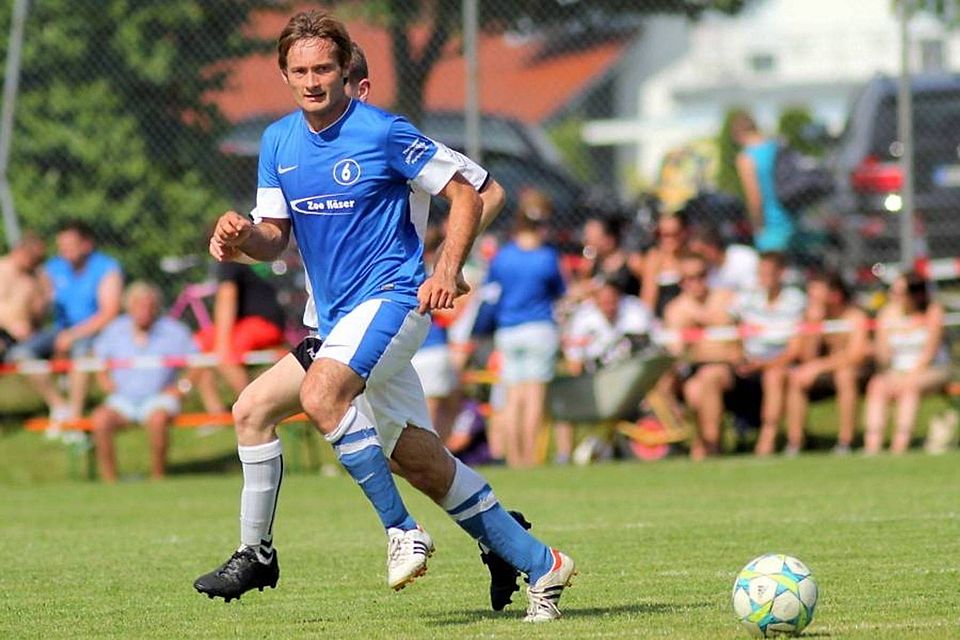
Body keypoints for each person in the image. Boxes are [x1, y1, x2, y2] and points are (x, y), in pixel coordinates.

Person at [194, 13, 574, 623]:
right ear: (284, 75)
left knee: (323, 394)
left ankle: (402, 530)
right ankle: (537, 560)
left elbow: (473, 191)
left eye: (323, 68)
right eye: (300, 71)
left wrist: (446, 267)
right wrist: (242, 237)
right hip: (336, 323)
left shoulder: (382, 132)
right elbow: (274, 238)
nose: (312, 81)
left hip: (393, 301)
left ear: (346, 71)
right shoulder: (277, 143)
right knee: (270, 416)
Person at [16, 220, 123, 425]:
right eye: (61, 247)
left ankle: (74, 416)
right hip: (60, 331)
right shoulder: (52, 269)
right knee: (20, 354)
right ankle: (58, 407)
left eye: (70, 246)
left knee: (80, 352)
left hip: (95, 331)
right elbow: (39, 308)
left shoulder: (106, 268)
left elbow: (109, 313)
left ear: (86, 244)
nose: (64, 251)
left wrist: (73, 335)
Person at [90, 282, 197, 482]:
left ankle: (157, 477)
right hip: (123, 399)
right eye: (138, 306)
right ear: (128, 307)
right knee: (100, 419)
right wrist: (104, 380)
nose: (144, 311)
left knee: (157, 419)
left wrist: (182, 388)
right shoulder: (114, 330)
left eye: (149, 306)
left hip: (159, 399)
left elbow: (198, 362)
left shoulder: (173, 330)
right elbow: (97, 359)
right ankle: (110, 482)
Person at [486, 208, 566, 468]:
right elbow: (559, 292)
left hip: (508, 330)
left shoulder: (503, 256)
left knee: (512, 399)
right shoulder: (547, 257)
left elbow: (492, 292)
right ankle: (530, 459)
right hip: (540, 328)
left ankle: (514, 458)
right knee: (534, 398)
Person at [557, 276, 654, 463]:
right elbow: (574, 361)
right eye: (604, 301)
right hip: (595, 383)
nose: (609, 306)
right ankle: (564, 455)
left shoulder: (635, 311)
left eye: (612, 301)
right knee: (564, 400)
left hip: (635, 383)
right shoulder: (583, 318)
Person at [663, 252, 739, 460]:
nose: (695, 283)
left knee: (709, 377)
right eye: (689, 278)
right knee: (694, 390)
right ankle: (700, 443)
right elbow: (675, 353)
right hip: (694, 370)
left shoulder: (726, 299)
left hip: (729, 369)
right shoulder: (675, 310)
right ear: (681, 281)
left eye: (701, 275)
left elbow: (739, 342)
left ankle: (711, 444)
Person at [863, 273, 949, 455]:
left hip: (932, 369)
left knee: (909, 388)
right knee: (877, 385)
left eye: (898, 292)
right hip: (897, 371)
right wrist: (883, 330)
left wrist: (908, 376)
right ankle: (872, 446)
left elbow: (929, 353)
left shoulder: (933, 311)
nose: (893, 296)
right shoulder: (887, 312)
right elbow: (884, 358)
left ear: (914, 294)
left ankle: (900, 445)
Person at [784, 271, 869, 455]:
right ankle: (795, 442)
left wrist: (819, 366)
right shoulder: (810, 316)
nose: (811, 294)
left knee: (844, 376)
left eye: (816, 289)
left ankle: (846, 441)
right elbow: (806, 358)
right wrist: (814, 325)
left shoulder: (854, 316)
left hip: (857, 372)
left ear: (835, 294)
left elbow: (856, 356)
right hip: (823, 372)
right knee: (796, 377)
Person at [731, 252, 806, 456]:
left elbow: (795, 348)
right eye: (760, 274)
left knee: (775, 377)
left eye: (768, 274)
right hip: (749, 361)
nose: (763, 279)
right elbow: (731, 329)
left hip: (780, 362)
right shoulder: (747, 298)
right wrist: (739, 356)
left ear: (781, 273)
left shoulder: (796, 300)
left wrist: (763, 364)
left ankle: (769, 436)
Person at [193, 260, 286, 415]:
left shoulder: (230, 261)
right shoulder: (241, 260)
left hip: (263, 324)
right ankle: (216, 413)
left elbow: (227, 297)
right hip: (247, 324)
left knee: (224, 352)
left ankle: (255, 410)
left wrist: (222, 345)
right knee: (200, 344)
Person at [728, 110, 795, 252]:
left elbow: (754, 197)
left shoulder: (746, 158)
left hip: (771, 223)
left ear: (736, 135)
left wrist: (757, 226)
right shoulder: (776, 146)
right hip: (793, 216)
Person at [0, 232, 50, 361]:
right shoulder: (3, 270)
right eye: (32, 257)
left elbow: (39, 312)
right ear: (19, 251)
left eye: (39, 259)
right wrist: (11, 325)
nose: (35, 262)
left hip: (26, 335)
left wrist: (43, 294)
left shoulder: (36, 277)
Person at [686, 224, 758, 295]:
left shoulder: (744, 256)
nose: (698, 258)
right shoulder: (704, 271)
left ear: (712, 246)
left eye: (700, 252)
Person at [641, 212, 688, 318]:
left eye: (675, 234)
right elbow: (648, 300)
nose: (669, 239)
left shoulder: (692, 254)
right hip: (663, 320)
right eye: (664, 235)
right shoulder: (654, 259)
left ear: (684, 232)